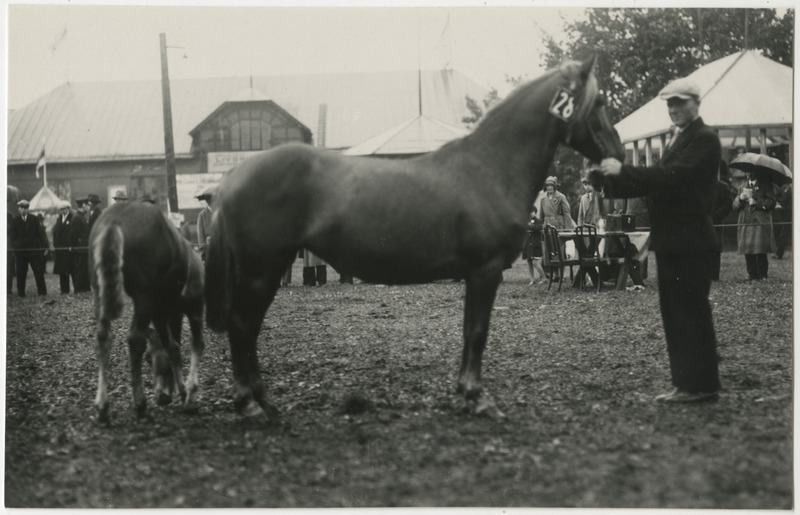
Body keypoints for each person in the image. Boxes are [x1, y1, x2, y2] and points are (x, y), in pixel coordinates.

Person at [596, 76, 721, 404]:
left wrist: (622, 171)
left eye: (680, 102)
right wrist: (608, 180)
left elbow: (671, 178)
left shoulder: (705, 139)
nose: (674, 109)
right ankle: (687, 384)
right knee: (675, 314)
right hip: (673, 241)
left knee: (690, 312)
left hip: (690, 241)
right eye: (670, 103)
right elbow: (657, 183)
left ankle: (702, 385)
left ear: (697, 102)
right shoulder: (681, 139)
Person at [732, 169, 776, 281]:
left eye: (751, 171)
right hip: (746, 222)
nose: (749, 174)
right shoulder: (742, 187)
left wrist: (757, 202)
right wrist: (740, 200)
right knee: (748, 249)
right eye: (747, 172)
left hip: (759, 222)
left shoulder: (766, 185)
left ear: (757, 172)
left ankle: (762, 275)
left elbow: (772, 203)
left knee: (760, 249)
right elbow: (734, 207)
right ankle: (752, 274)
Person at [10, 199, 48, 297]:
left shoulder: (34, 219)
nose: (23, 210)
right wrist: (16, 247)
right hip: (21, 253)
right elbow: (12, 237)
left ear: (28, 209)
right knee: (21, 273)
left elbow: (40, 235)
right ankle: (21, 293)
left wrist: (44, 247)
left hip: (34, 252)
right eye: (21, 208)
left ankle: (42, 292)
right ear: (18, 209)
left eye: (25, 208)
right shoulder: (15, 221)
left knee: (38, 272)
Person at [709, 162, 735, 281]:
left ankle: (714, 275)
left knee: (715, 249)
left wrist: (717, 216)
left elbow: (728, 204)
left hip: (716, 223)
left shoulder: (722, 187)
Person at [52, 200, 75, 293]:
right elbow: (55, 232)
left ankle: (77, 288)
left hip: (68, 249)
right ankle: (64, 290)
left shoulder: (72, 218)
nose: (62, 211)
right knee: (62, 271)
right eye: (60, 209)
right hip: (60, 249)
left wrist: (70, 245)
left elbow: (73, 233)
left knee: (72, 270)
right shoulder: (59, 218)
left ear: (68, 208)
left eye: (64, 209)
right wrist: (55, 244)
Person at [70, 199, 91, 293]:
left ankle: (85, 288)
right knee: (80, 269)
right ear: (83, 205)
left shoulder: (82, 217)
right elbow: (73, 235)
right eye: (87, 205)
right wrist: (74, 246)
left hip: (84, 248)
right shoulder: (77, 218)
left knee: (85, 269)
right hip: (79, 248)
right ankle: (79, 290)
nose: (89, 207)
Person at [522, 206, 546, 285]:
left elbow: (538, 228)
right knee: (529, 261)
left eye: (532, 212)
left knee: (535, 262)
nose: (530, 213)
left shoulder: (538, 221)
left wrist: (530, 226)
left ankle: (544, 278)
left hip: (535, 244)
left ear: (535, 212)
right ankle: (532, 279)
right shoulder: (525, 220)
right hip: (527, 244)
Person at [772, 182, 792, 260]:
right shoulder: (784, 187)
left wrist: (781, 207)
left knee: (784, 234)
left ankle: (779, 254)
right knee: (783, 234)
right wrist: (778, 202)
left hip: (791, 215)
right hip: (784, 216)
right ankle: (778, 253)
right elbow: (777, 196)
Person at [196, 190, 214, 261]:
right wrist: (203, 247)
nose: (209, 202)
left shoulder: (219, 213)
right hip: (208, 245)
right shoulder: (202, 214)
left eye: (210, 199)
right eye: (207, 200)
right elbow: (200, 232)